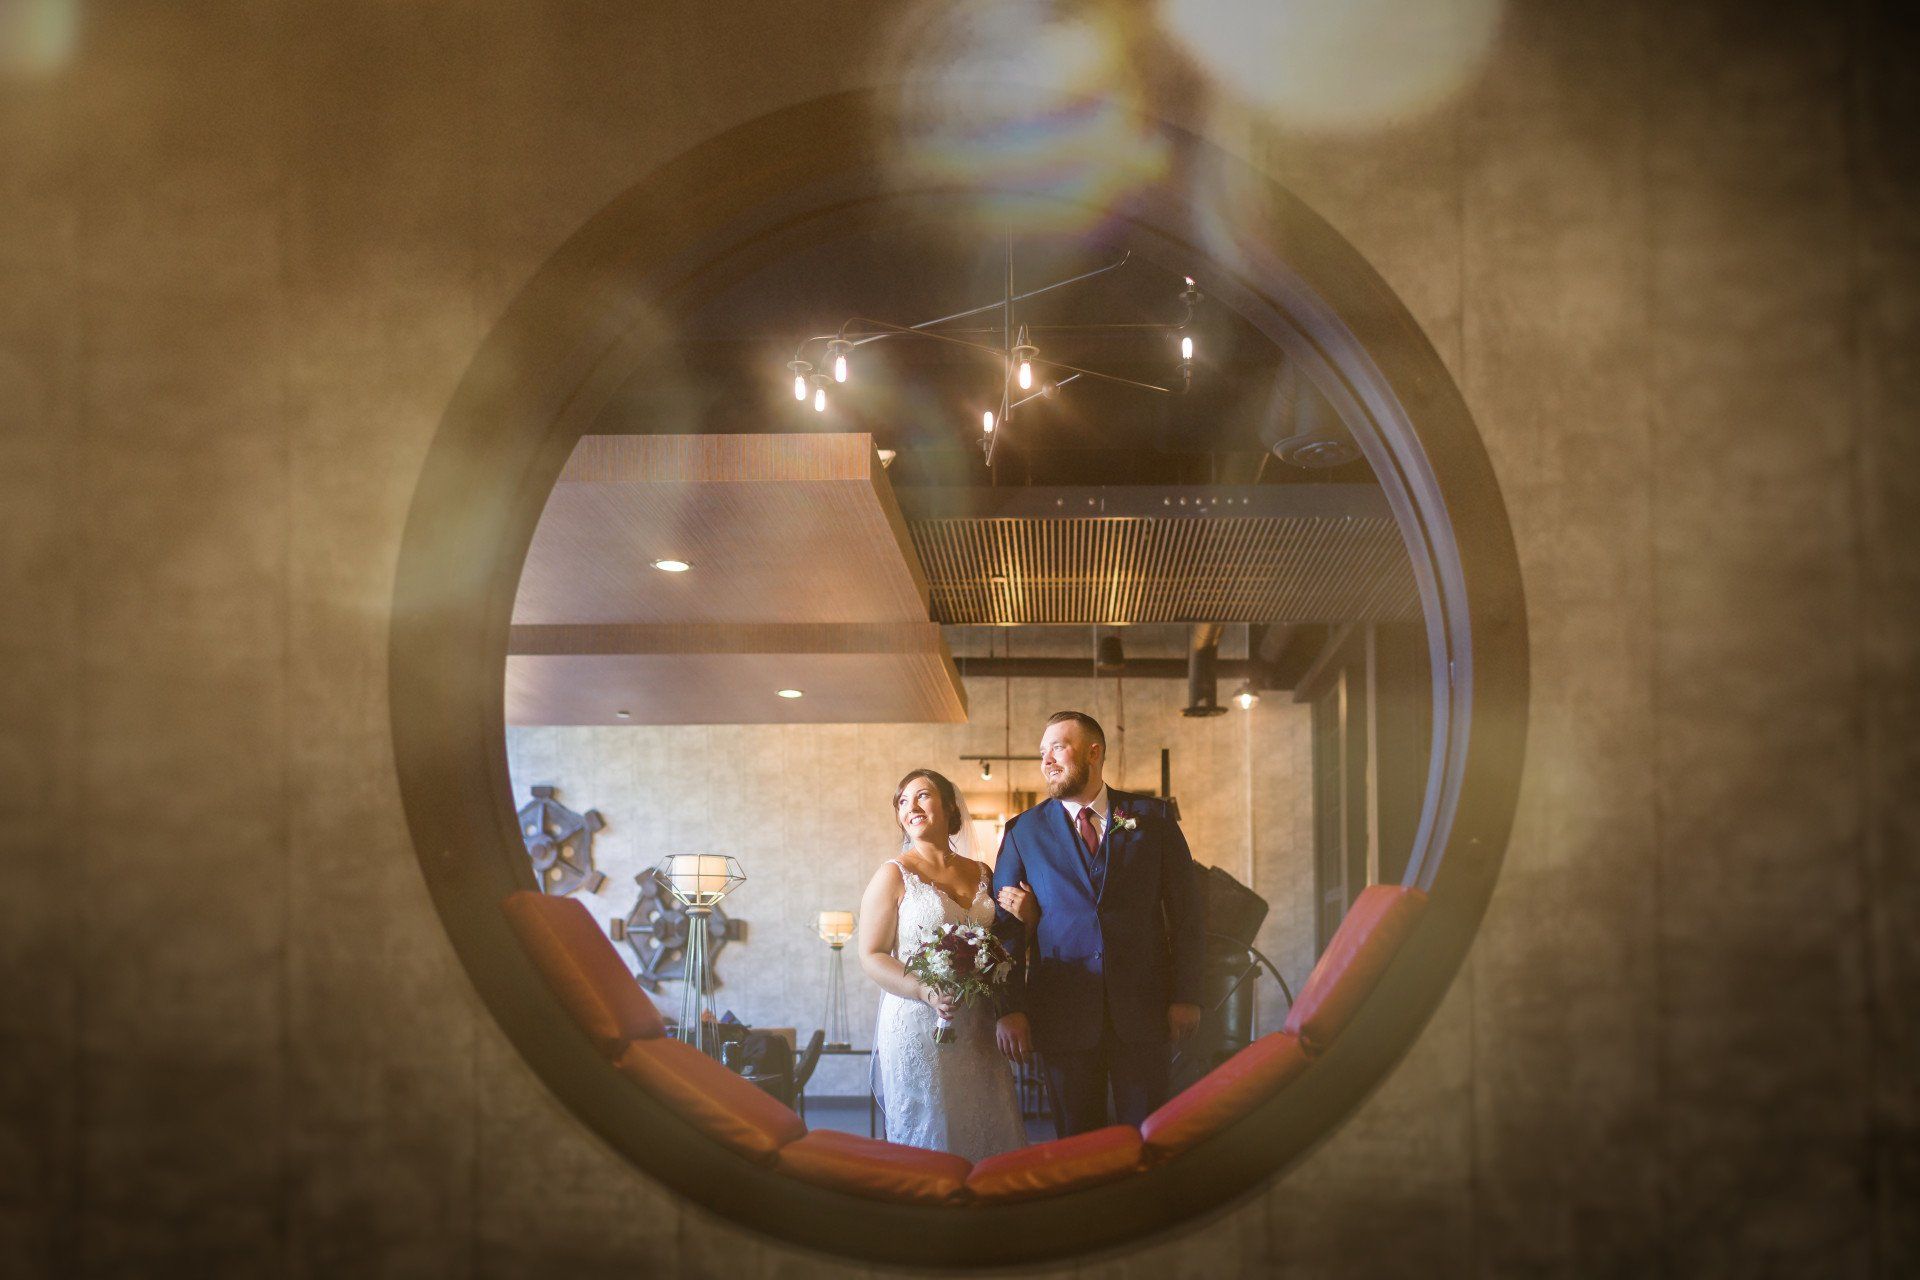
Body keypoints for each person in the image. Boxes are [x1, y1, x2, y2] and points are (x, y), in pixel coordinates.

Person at [991, 711, 1205, 1136]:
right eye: (1042, 752)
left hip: (1144, 1009)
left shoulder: (1154, 818)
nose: (1046, 760)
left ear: (1094, 752)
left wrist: (1187, 994)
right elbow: (1006, 929)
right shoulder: (1023, 832)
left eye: (1058, 747)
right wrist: (1009, 1008)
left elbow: (1188, 913)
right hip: (1062, 1012)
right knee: (1076, 1142)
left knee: (1150, 1136)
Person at [857, 768, 1027, 1160]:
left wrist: (1027, 915)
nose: (911, 807)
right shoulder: (893, 874)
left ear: (950, 807)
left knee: (984, 1117)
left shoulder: (983, 872)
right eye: (902, 801)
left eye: (922, 795)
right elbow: (872, 954)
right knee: (930, 1125)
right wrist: (923, 989)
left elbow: (1002, 942)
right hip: (918, 1020)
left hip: (978, 1021)